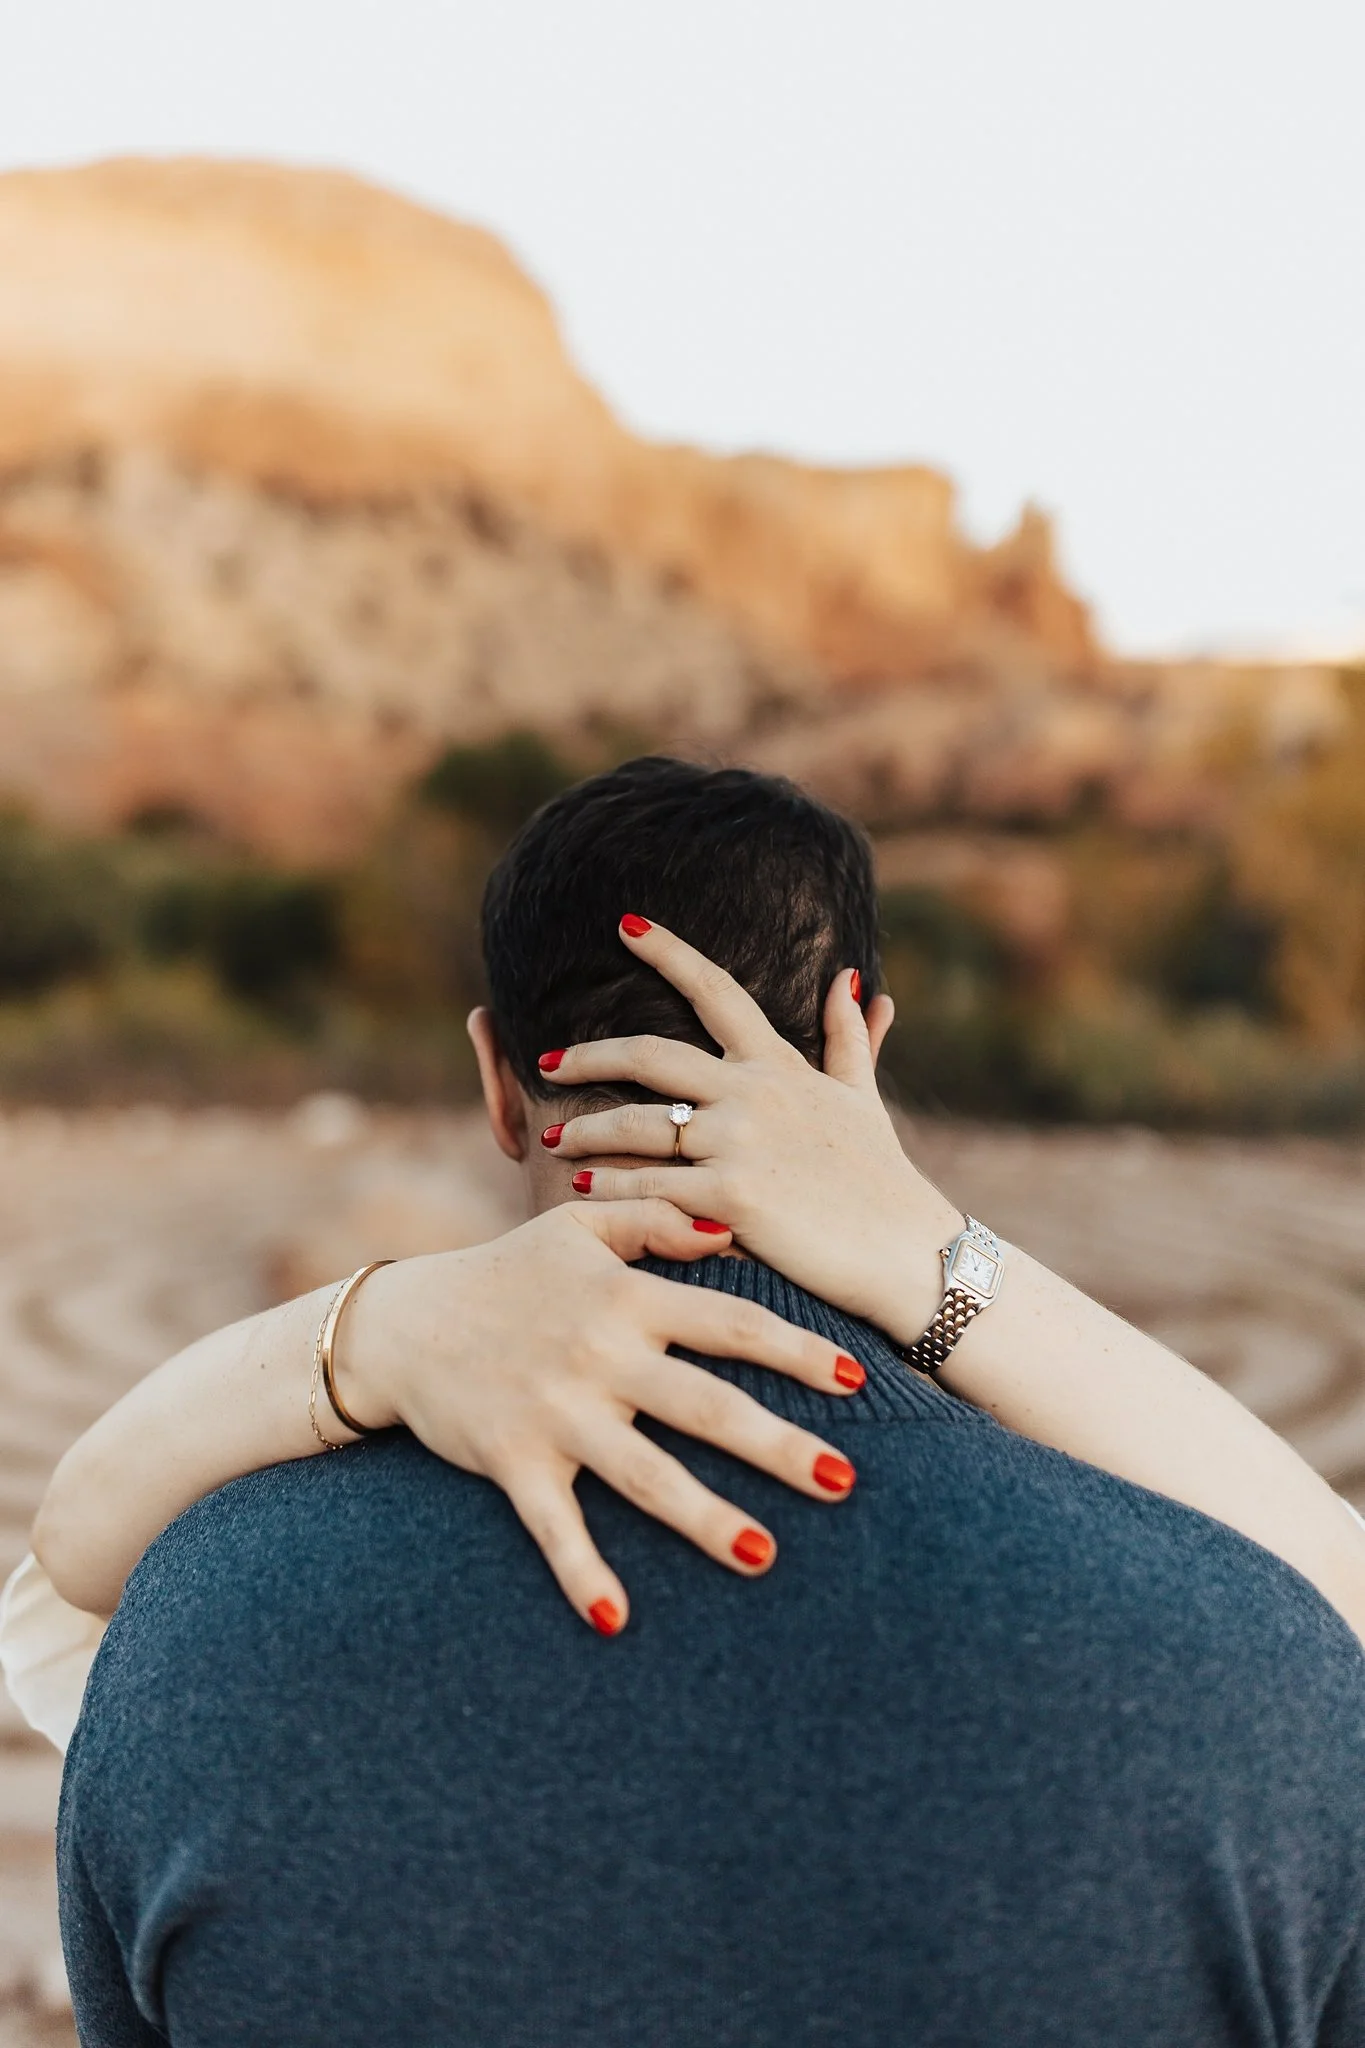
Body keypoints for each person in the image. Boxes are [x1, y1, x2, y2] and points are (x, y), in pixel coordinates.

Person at [26, 759, 1365, 2044]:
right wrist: (938, 1256)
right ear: (869, 1050)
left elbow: (60, 1578)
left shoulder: (195, 1639)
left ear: (499, 1080)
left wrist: (368, 1326)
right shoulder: (1260, 1673)